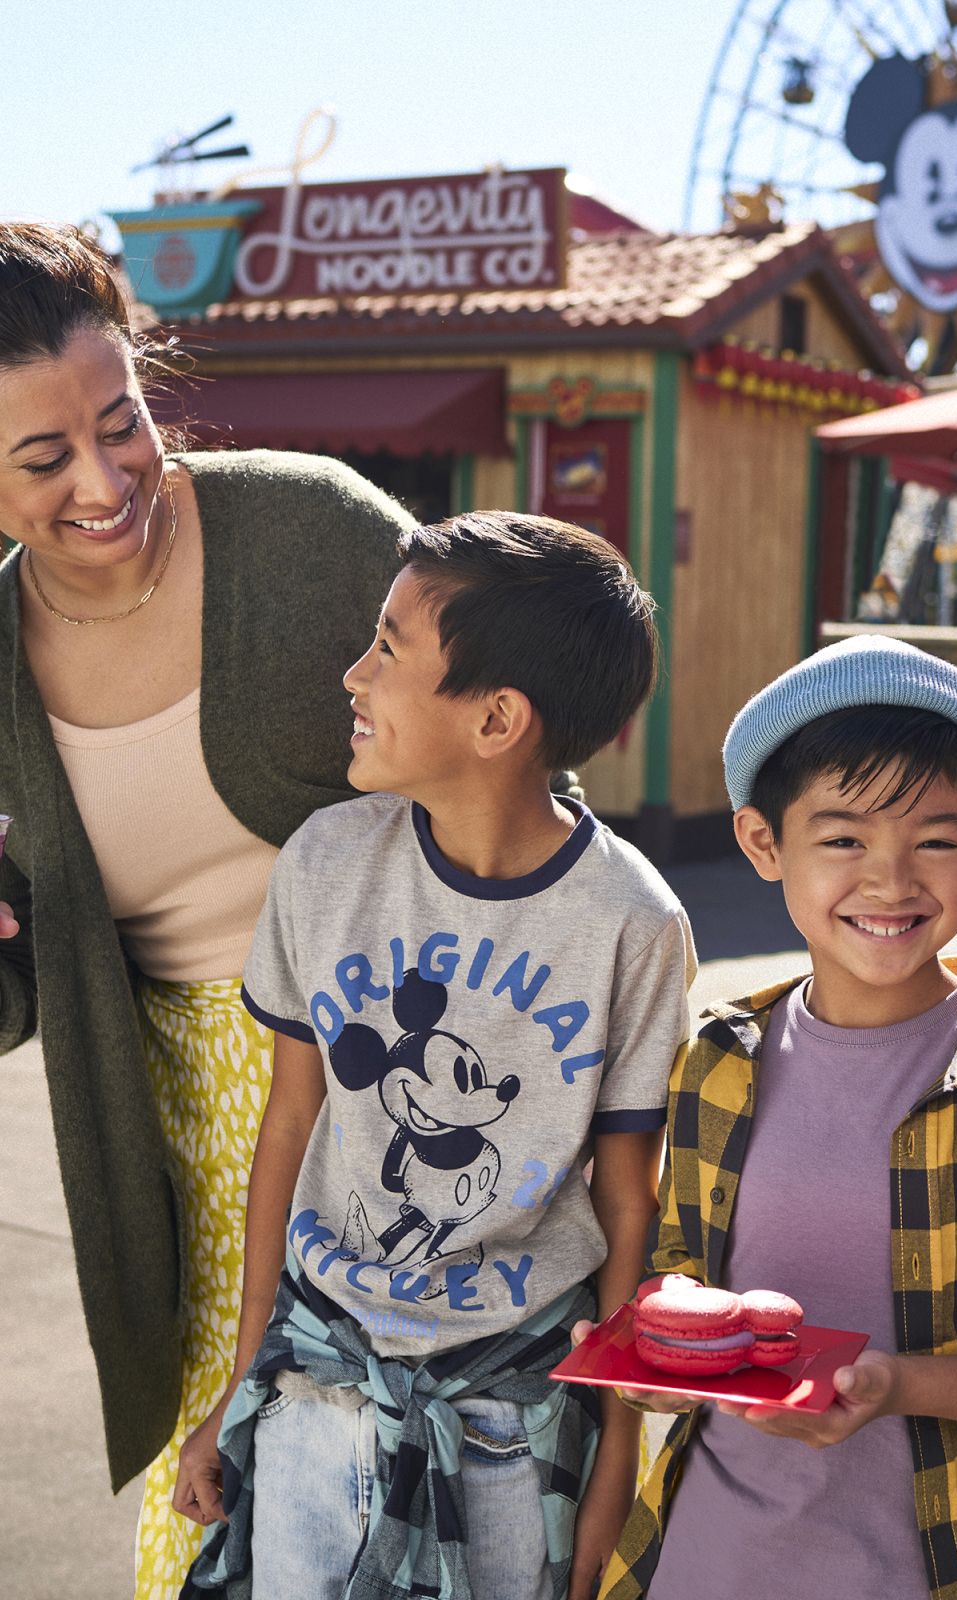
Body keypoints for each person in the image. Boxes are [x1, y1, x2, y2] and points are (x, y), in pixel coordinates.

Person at [0, 220, 416, 1598]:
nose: (108, 479)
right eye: (42, 459)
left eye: (121, 424)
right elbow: (19, 972)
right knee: (225, 1516)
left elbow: (524, 752)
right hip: (178, 1134)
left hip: (418, 1092)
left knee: (433, 1514)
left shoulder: (312, 527)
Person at [171, 510, 695, 1600]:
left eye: (390, 648)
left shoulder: (631, 921)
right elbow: (291, 1121)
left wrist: (612, 1473)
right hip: (319, 1381)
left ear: (499, 717)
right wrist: (243, 1379)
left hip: (515, 1410)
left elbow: (629, 1204)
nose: (354, 675)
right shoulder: (325, 865)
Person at [594, 636, 957, 1600]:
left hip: (943, 1566)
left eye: (934, 837)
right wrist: (656, 1353)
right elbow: (680, 1273)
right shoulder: (718, 1058)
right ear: (764, 843)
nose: (890, 881)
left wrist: (895, 1385)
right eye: (843, 839)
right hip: (706, 1559)